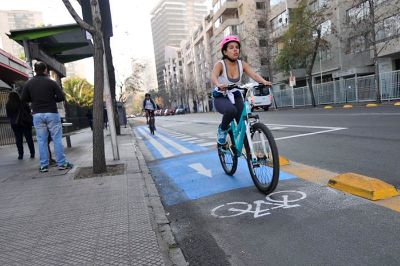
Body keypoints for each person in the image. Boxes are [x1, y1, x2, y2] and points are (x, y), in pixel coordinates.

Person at [211, 35, 271, 145]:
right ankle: (222, 130)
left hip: (236, 94)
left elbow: (254, 74)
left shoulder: (241, 64)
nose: (235, 50)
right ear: (225, 51)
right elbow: (213, 76)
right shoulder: (220, 64)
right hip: (221, 96)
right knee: (231, 111)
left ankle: (249, 155)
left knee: (243, 124)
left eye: (237, 47)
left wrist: (264, 82)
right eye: (231, 47)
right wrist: (218, 84)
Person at [21, 61, 73, 173]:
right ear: (45, 70)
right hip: (51, 113)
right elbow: (61, 97)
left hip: (37, 114)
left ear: (35, 70)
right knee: (57, 139)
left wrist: (34, 100)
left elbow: (23, 99)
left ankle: (44, 165)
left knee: (41, 140)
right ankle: (62, 164)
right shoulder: (51, 82)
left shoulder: (29, 84)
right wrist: (51, 99)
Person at [5, 91, 35, 160]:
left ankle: (20, 155)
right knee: (29, 138)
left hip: (15, 124)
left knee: (18, 139)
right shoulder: (23, 103)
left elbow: (8, 115)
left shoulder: (8, 104)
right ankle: (32, 153)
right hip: (25, 123)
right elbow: (28, 111)